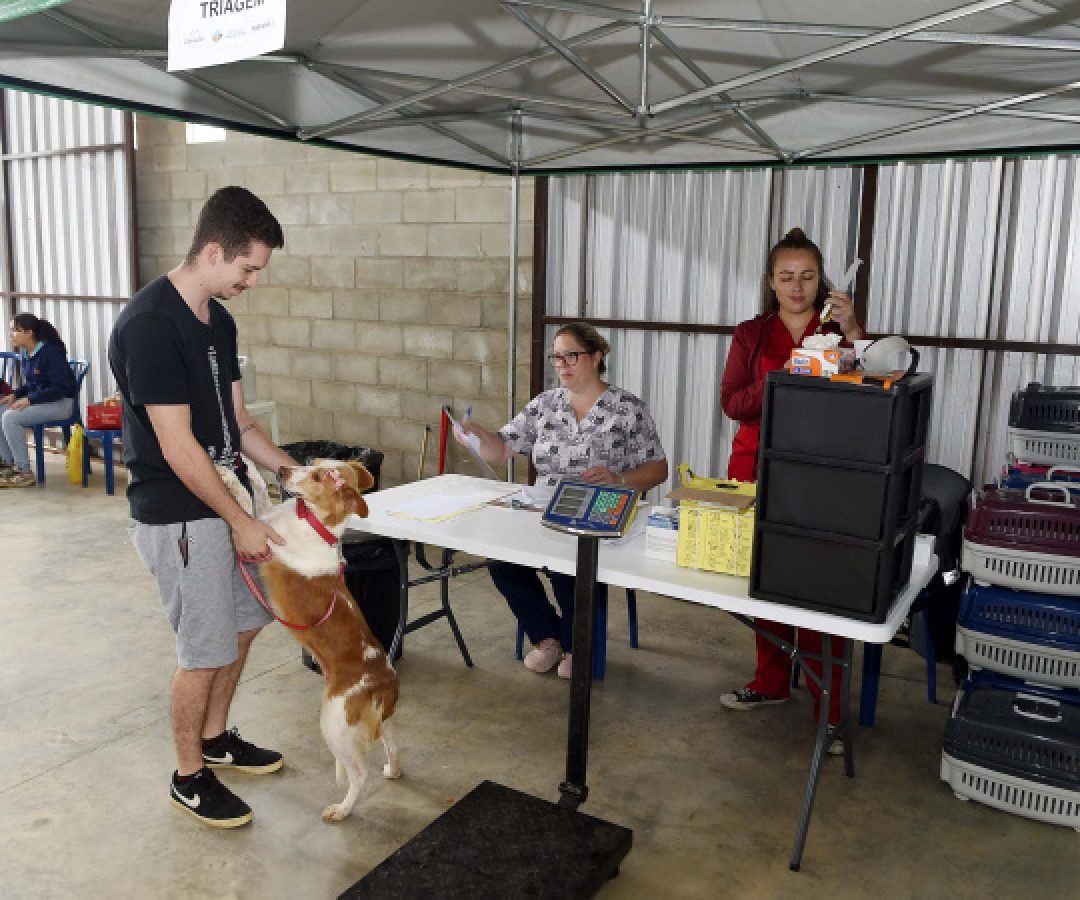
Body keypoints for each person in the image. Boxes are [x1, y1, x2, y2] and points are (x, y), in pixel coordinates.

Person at [108, 186, 297, 829]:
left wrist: (293, 472)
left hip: (226, 498)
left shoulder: (220, 320)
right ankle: (189, 776)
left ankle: (216, 738)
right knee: (205, 647)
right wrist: (240, 522)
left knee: (243, 625)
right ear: (214, 251)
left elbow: (239, 424)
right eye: (247, 268)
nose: (252, 282)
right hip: (179, 511)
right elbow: (178, 445)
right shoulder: (150, 326)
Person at [718, 227, 866, 755]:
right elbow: (733, 403)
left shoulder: (841, 332)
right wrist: (784, 374)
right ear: (771, 282)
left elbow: (874, 393)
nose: (797, 287)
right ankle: (771, 681)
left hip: (823, 473)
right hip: (757, 466)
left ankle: (831, 708)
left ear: (821, 281)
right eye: (787, 277)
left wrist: (854, 332)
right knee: (767, 580)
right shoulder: (751, 334)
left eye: (807, 276)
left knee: (824, 589)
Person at [457, 322, 668, 679]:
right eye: (557, 357)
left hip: (599, 507)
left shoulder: (627, 408)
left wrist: (618, 479)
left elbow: (658, 469)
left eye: (572, 356)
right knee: (501, 560)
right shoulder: (546, 404)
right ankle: (547, 637)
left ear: (596, 356)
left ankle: (577, 645)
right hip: (544, 504)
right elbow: (502, 449)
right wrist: (477, 435)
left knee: (568, 564)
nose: (562, 365)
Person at [0, 313, 78, 488]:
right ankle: (7, 464)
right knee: (2, 410)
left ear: (29, 333)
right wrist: (16, 394)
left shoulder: (50, 353)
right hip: (44, 401)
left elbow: (61, 388)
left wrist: (30, 400)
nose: (11, 334)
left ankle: (24, 472)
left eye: (16, 330)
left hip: (62, 403)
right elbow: (33, 383)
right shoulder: (26, 352)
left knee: (10, 418)